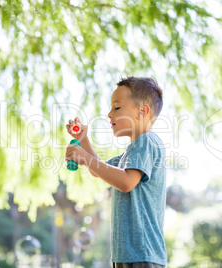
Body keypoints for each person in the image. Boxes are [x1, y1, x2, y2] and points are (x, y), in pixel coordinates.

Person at [65, 76, 167, 268]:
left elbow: (126, 182)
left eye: (117, 107)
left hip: (142, 254)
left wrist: (85, 157)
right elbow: (98, 169)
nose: (109, 114)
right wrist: (84, 139)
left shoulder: (147, 142)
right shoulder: (130, 154)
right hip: (129, 254)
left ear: (142, 111)